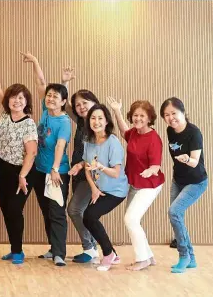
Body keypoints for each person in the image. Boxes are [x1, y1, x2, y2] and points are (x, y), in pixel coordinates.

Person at [0, 50, 38, 265]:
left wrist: (23, 175)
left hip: (22, 171)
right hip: (2, 169)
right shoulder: (4, 116)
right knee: (6, 209)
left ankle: (18, 252)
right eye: (13, 97)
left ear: (26, 102)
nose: (16, 100)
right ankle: (15, 249)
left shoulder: (28, 123)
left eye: (21, 98)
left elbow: (31, 152)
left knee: (15, 209)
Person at [19, 51, 72, 267]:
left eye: (55, 97)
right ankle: (53, 247)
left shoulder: (64, 122)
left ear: (64, 102)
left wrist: (56, 168)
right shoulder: (45, 111)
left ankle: (60, 253)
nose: (50, 98)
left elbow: (60, 145)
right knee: (46, 210)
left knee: (57, 211)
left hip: (56, 172)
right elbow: (41, 81)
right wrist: (36, 62)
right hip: (40, 171)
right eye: (49, 95)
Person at [108, 98, 165, 271]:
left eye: (142, 116)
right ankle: (148, 255)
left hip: (150, 184)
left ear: (149, 118)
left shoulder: (154, 138)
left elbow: (156, 165)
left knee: (130, 219)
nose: (137, 118)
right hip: (134, 183)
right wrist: (117, 111)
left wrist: (150, 170)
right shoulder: (134, 133)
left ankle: (143, 259)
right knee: (132, 220)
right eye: (135, 115)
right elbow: (124, 129)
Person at [160, 97, 208, 273]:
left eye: (174, 113)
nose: (171, 117)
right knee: (177, 216)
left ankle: (183, 256)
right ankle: (192, 258)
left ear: (183, 112)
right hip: (178, 180)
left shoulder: (194, 133)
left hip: (196, 182)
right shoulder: (170, 131)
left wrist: (187, 159)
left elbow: (195, 162)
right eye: (166, 115)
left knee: (174, 212)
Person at [80, 104, 129, 272]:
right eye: (93, 118)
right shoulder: (88, 141)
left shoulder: (113, 142)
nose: (96, 121)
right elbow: (87, 168)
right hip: (100, 189)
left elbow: (116, 173)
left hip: (116, 191)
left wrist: (100, 167)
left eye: (100, 118)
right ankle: (112, 253)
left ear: (107, 121)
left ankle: (108, 254)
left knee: (89, 216)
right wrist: (93, 188)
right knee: (88, 217)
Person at [66, 90, 101, 263]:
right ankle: (94, 249)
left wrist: (81, 165)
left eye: (84, 103)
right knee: (84, 212)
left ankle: (91, 247)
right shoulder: (82, 122)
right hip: (78, 173)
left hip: (91, 174)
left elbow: (99, 152)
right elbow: (65, 105)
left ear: (94, 102)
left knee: (74, 209)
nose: (80, 107)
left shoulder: (98, 124)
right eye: (78, 105)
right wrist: (64, 83)